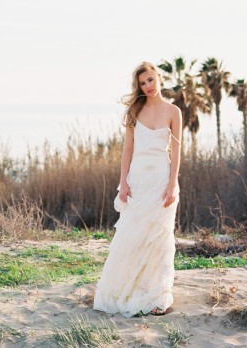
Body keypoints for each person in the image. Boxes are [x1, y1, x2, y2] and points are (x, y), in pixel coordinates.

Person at [93, 61, 182, 317]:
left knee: (158, 237)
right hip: (137, 179)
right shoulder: (135, 111)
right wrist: (123, 182)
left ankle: (155, 295)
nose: (148, 86)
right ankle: (128, 291)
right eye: (142, 83)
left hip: (162, 179)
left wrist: (172, 184)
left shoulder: (173, 111)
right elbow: (127, 151)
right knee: (132, 235)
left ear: (158, 78)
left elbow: (177, 151)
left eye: (150, 80)